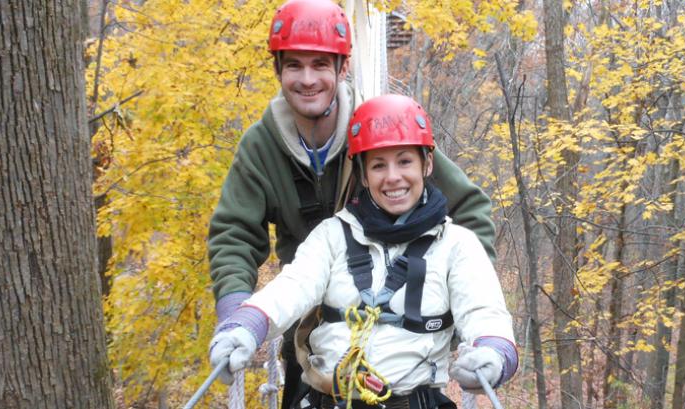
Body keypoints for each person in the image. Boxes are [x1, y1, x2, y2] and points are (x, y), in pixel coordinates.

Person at [207, 0, 497, 406]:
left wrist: (454, 300)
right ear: (278, 70)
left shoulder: (382, 134)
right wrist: (238, 318)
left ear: (342, 69)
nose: (308, 79)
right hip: (312, 328)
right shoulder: (261, 148)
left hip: (403, 337)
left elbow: (467, 209)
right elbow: (234, 235)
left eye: (321, 65)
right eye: (294, 65)